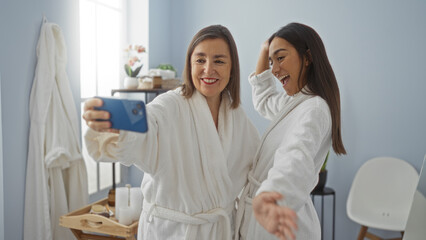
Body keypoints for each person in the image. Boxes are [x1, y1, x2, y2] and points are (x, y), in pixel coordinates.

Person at [82, 25, 264, 240]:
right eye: (200, 60)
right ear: (189, 64)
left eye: (219, 61)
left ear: (232, 68)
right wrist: (120, 127)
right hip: (172, 232)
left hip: (219, 231)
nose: (208, 69)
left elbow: (258, 166)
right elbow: (149, 124)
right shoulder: (171, 105)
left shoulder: (237, 116)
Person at [234, 22, 347, 240]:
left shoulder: (314, 109)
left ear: (307, 57)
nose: (274, 70)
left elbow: (296, 158)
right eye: (271, 61)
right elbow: (264, 99)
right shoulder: (296, 102)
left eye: (281, 58)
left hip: (278, 219)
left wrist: (270, 197)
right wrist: (264, 48)